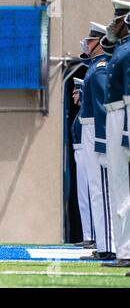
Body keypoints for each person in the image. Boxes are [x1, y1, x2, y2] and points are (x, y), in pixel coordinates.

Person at [77, 22, 115, 261]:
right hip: (88, 128)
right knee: (95, 189)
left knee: (101, 189)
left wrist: (102, 140)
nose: (87, 45)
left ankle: (108, 245)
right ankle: (103, 243)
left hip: (95, 130)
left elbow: (102, 108)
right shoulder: (94, 67)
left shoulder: (100, 68)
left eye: (90, 41)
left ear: (99, 42)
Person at [101, 0, 130, 268]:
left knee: (123, 190)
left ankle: (126, 251)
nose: (112, 24)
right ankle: (124, 251)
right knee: (119, 189)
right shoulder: (122, 48)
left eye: (117, 20)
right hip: (116, 115)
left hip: (123, 116)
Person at [71, 78, 95, 249]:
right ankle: (88, 234)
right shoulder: (80, 113)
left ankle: (93, 235)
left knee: (90, 193)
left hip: (86, 152)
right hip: (79, 152)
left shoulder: (86, 112)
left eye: (76, 92)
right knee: (83, 196)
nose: (73, 96)